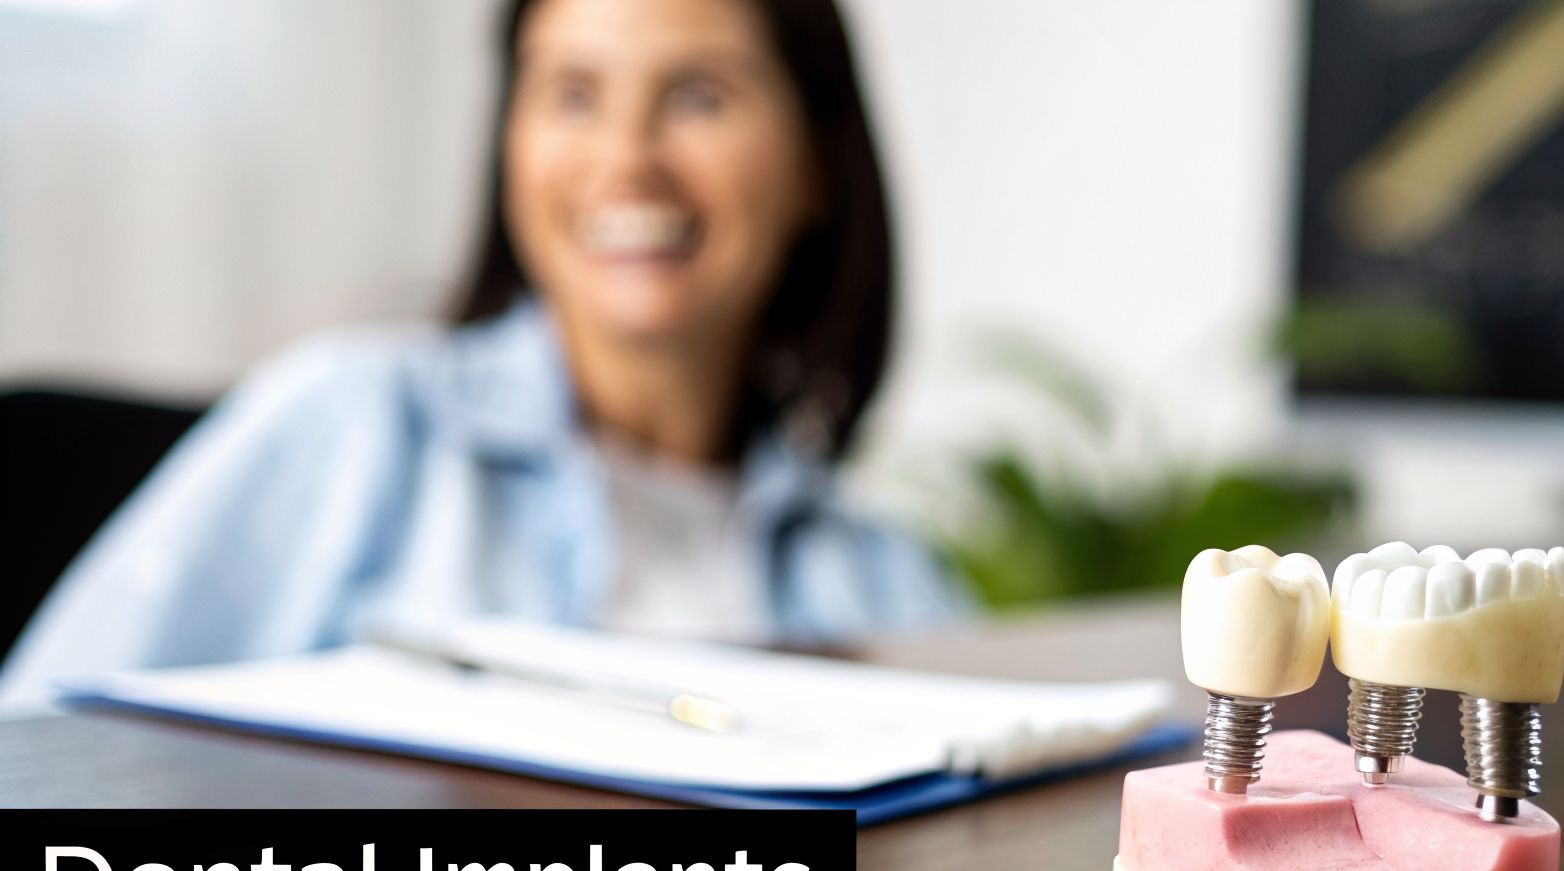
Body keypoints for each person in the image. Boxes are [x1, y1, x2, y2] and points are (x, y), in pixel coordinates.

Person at [0, 0, 966, 713]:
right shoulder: (351, 426)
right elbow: (35, 763)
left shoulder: (884, 576)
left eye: (699, 96)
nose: (627, 156)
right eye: (573, 94)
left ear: (814, 169)